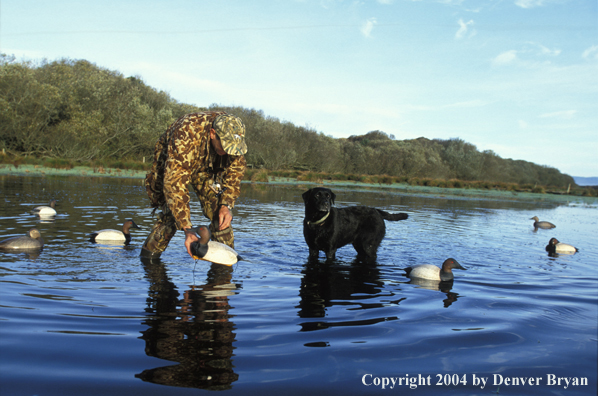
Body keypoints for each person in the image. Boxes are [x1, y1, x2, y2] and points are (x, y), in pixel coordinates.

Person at [140, 111, 247, 259]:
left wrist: (226, 205)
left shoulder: (234, 134)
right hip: (172, 166)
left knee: (220, 214)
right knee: (170, 216)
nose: (229, 152)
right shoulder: (186, 133)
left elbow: (235, 172)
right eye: (224, 146)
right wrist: (187, 229)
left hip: (206, 171)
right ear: (212, 134)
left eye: (232, 148)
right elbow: (174, 184)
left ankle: (223, 268)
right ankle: (148, 260)